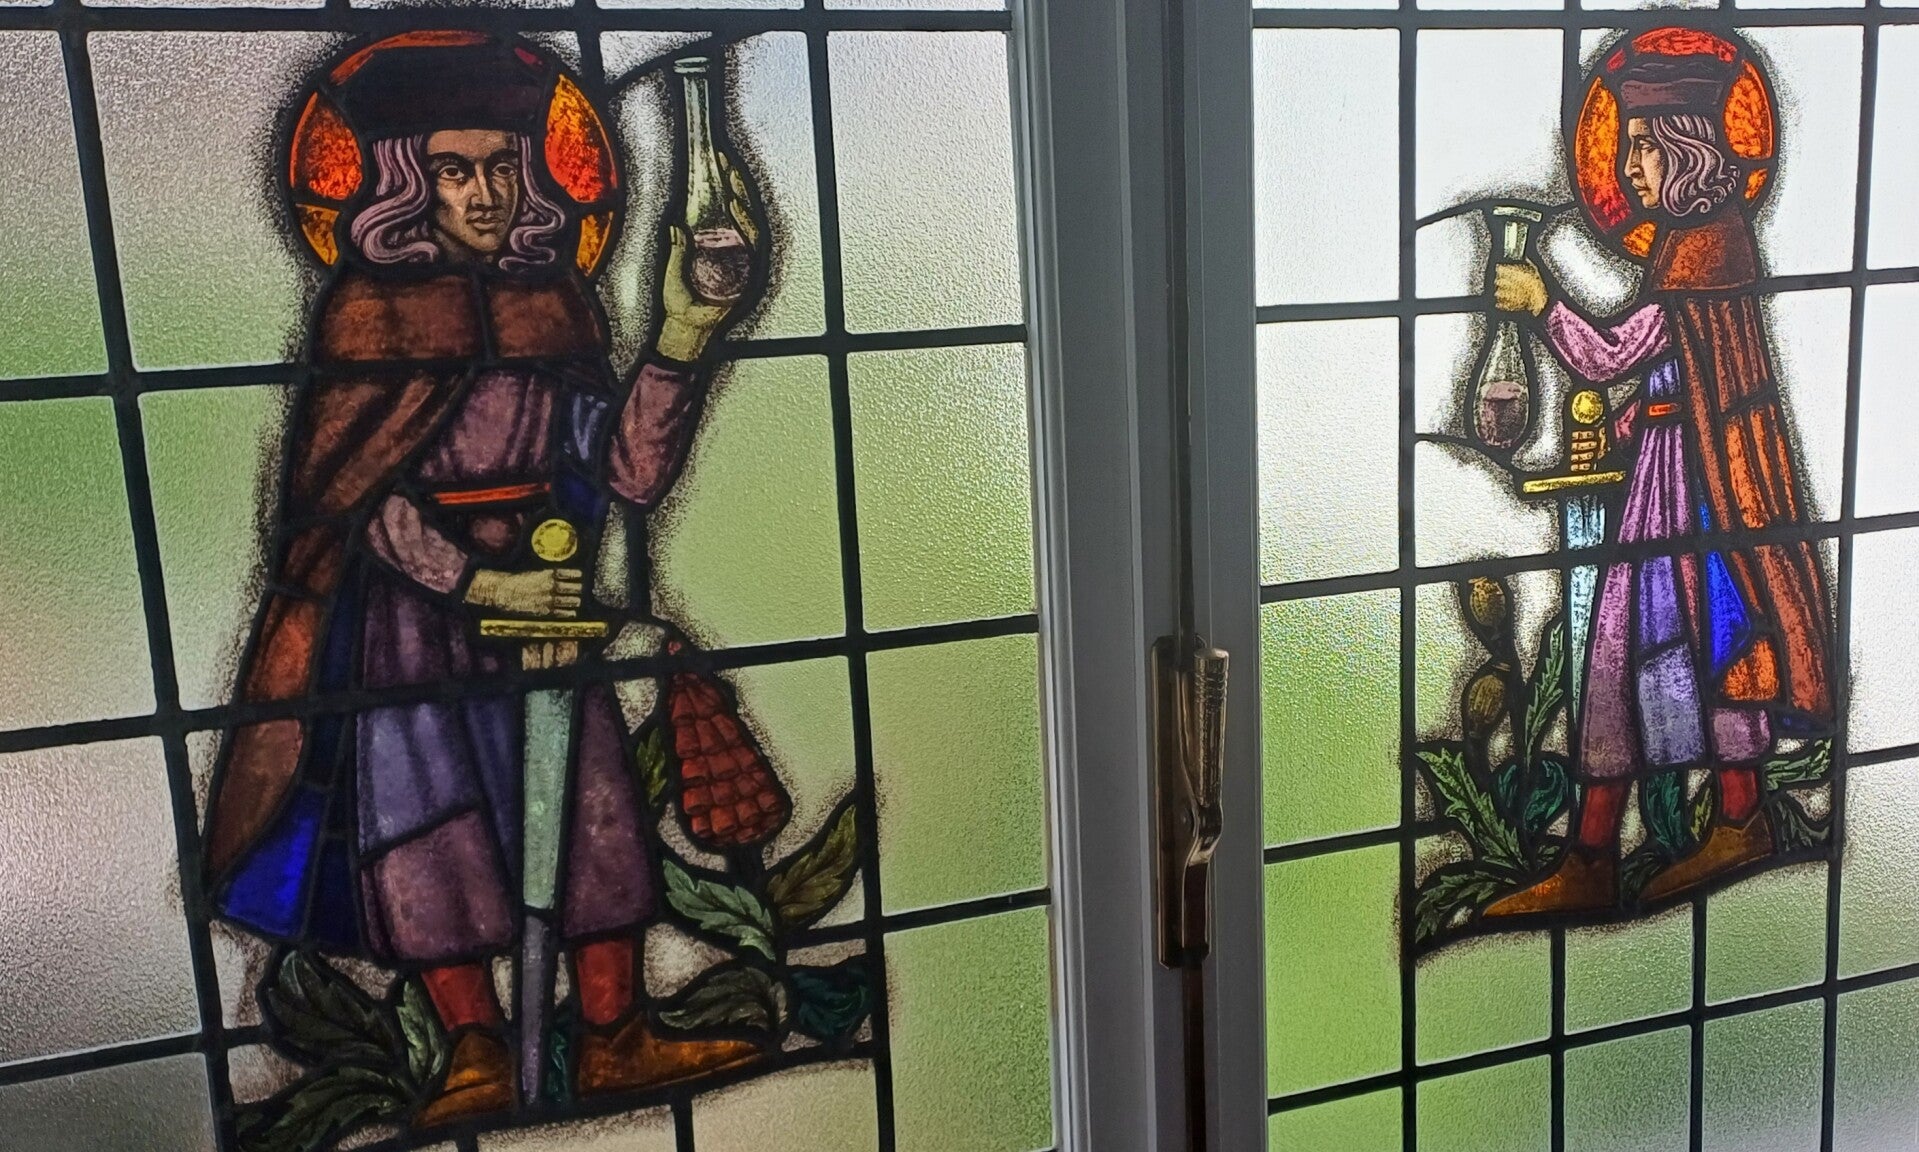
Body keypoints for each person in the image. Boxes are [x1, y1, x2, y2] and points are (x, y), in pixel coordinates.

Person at [200, 38, 765, 1123]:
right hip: (411, 627)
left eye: (505, 166)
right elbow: (355, 500)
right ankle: (469, 1049)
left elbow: (627, 472)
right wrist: (474, 585)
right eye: (455, 171)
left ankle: (614, 1034)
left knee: (593, 811)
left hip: (544, 610)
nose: (487, 193)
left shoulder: (554, 305)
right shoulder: (367, 316)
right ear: (403, 181)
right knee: (429, 827)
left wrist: (684, 332)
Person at [1483, 52, 1833, 918]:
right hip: (1678, 473)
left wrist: (1540, 302)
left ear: (1684, 147)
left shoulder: (1704, 249)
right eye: (1626, 147)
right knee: (1672, 653)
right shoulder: (1699, 241)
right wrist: (1636, 422)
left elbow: (1610, 355)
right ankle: (1672, 835)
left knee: (1679, 651)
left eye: (1642, 146)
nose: (1628, 166)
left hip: (1697, 494)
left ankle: (1642, 845)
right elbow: (1694, 373)